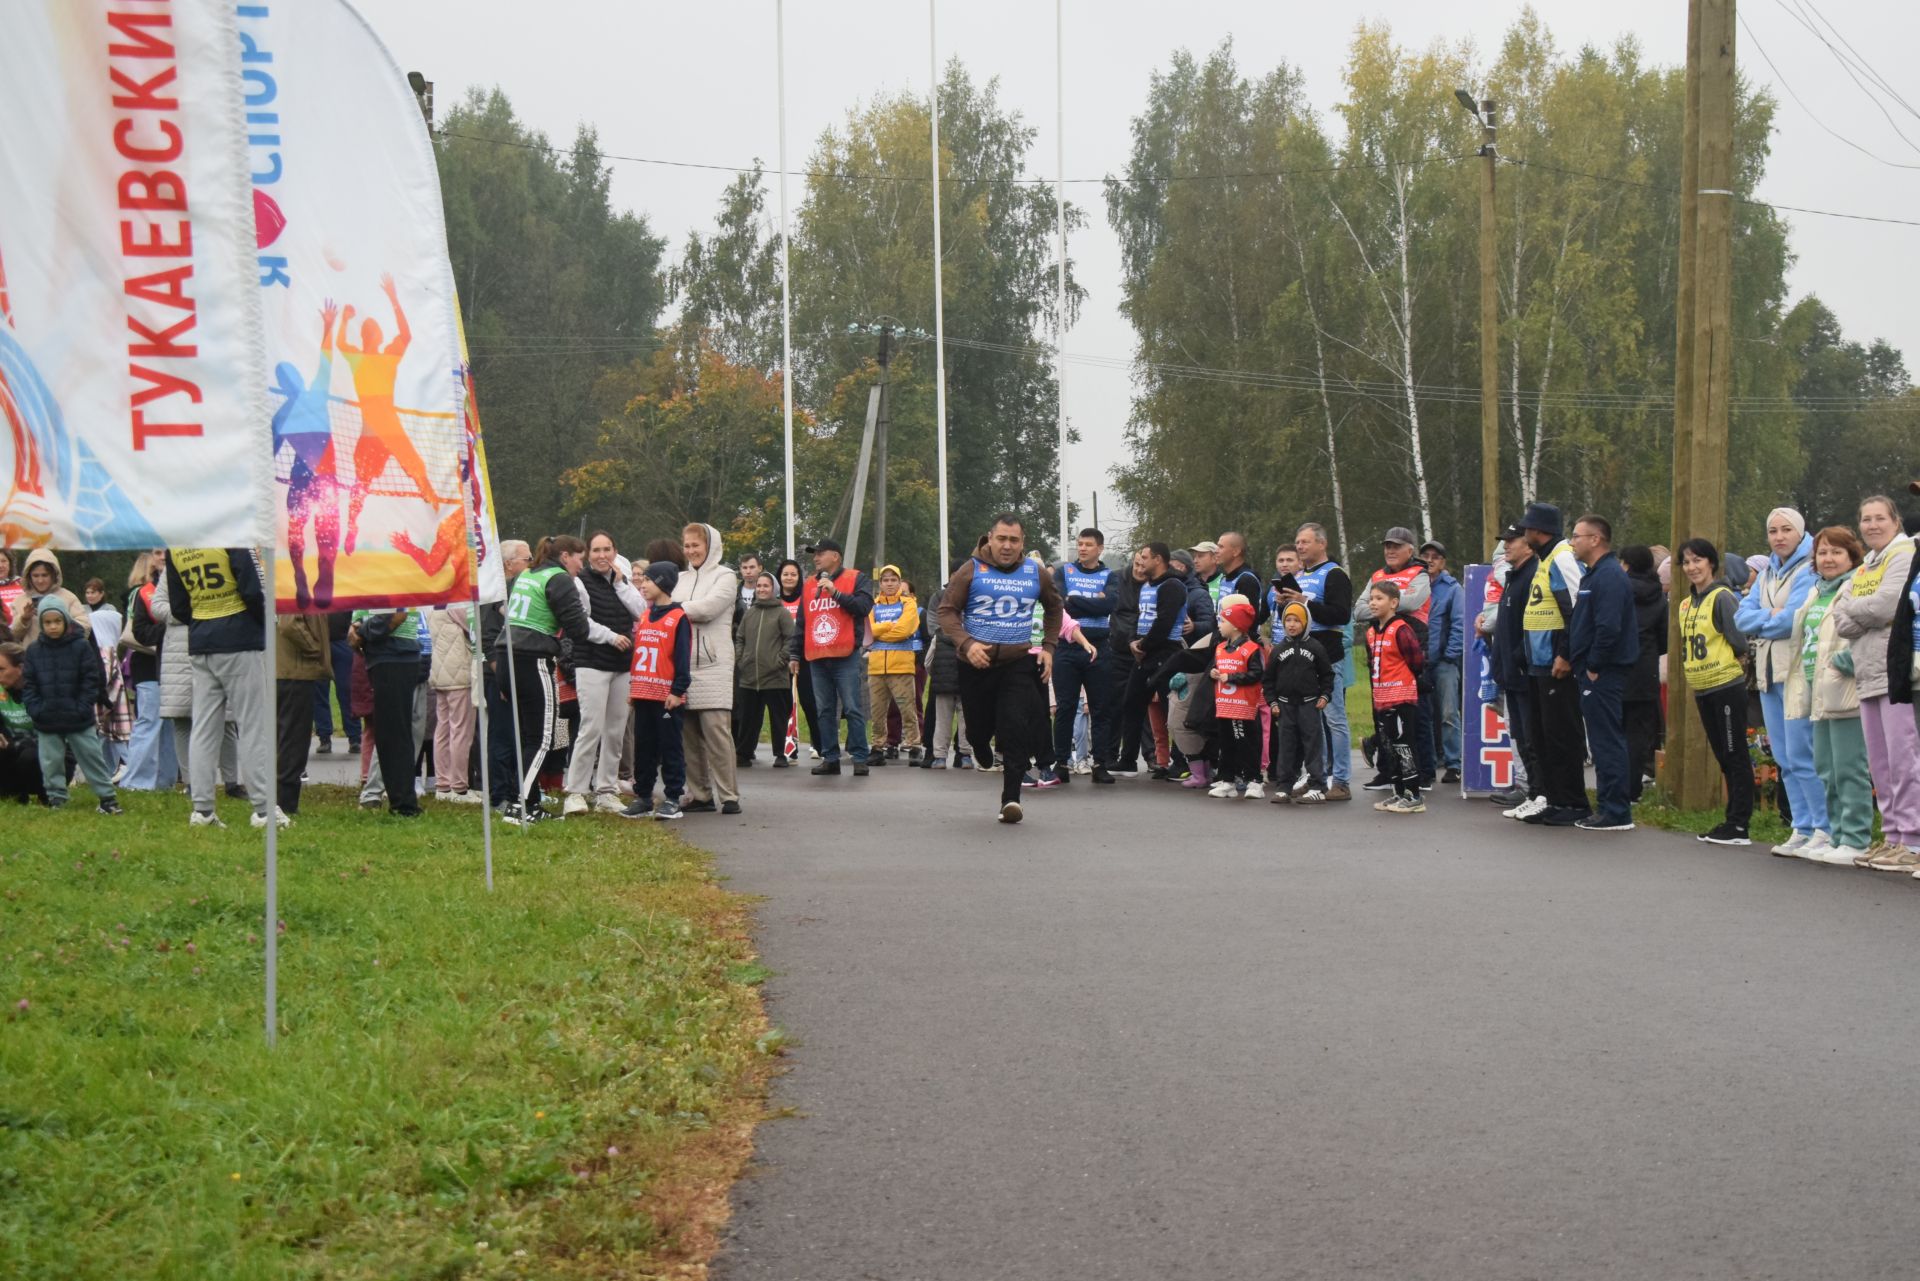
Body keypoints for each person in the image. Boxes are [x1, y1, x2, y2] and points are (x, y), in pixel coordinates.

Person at [938, 513, 1063, 823]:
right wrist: (967, 644)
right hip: (975, 665)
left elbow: (1055, 606)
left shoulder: (1035, 573)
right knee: (978, 728)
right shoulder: (971, 571)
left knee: (1015, 726)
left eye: (1014, 540)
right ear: (989, 539)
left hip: (1017, 662)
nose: (1007, 546)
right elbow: (947, 611)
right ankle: (979, 744)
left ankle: (1011, 800)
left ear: (1022, 543)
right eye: (1002, 539)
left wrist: (1048, 647)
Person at [498, 535, 617, 824]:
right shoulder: (559, 578)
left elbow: (504, 609)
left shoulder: (528, 573)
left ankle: (525, 800)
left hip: (506, 654)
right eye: (580, 557)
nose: (581, 564)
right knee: (542, 737)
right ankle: (521, 806)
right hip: (532, 657)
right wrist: (609, 636)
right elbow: (577, 626)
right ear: (566, 556)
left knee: (529, 736)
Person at [1833, 497, 1919, 870]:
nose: (1871, 525)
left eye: (1879, 518)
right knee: (1880, 763)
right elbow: (1841, 618)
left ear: (1895, 521)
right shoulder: (1867, 564)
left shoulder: (1903, 555)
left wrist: (1857, 611)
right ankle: (1894, 834)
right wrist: (1863, 614)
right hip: (1865, 671)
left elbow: (1889, 606)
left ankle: (1914, 838)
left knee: (1904, 758)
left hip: (1893, 670)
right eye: (1865, 519)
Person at [1735, 508, 1826, 855]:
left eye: (1786, 529)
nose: (1779, 536)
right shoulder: (1768, 569)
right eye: (1772, 530)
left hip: (1797, 670)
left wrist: (1765, 618)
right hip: (1769, 673)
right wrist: (1765, 617)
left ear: (1801, 532)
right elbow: (1741, 616)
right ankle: (1801, 826)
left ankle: (1823, 826)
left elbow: (1793, 620)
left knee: (1804, 753)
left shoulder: (1809, 567)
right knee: (1784, 757)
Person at [166, 548, 275, 829]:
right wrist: (265, 620)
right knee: (252, 726)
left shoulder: (175, 545)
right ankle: (264, 810)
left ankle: (202, 810)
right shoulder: (230, 532)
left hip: (202, 638)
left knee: (203, 728)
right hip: (238, 637)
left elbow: (178, 606)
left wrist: (205, 618)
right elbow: (251, 590)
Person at [337, 275, 443, 555]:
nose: (372, 333)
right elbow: (403, 336)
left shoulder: (370, 357)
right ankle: (352, 527)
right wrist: (390, 299)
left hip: (378, 429)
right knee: (406, 476)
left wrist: (349, 318)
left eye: (371, 330)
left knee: (405, 476)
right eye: (370, 331)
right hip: (381, 429)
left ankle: (354, 526)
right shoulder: (372, 358)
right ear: (374, 338)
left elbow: (404, 336)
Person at [1787, 527, 1872, 865]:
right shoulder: (1816, 591)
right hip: (1817, 689)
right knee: (1826, 768)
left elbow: (1871, 630)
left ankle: (1856, 838)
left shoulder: (1858, 585)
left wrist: (1843, 663)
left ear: (1852, 555)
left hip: (1845, 688)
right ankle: (1836, 836)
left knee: (1849, 767)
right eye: (1822, 552)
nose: (1828, 558)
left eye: (1836, 552)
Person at [1512, 504, 1587, 826]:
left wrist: (1566, 654)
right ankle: (1555, 799)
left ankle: (1574, 803)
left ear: (1539, 531)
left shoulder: (1562, 557)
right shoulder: (1546, 560)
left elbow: (1577, 608)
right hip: (1539, 663)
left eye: (1527, 528)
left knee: (1562, 737)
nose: (1524, 533)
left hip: (1556, 663)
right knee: (1543, 737)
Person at [1676, 539, 1754, 845]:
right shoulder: (1686, 603)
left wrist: (1735, 663)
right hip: (1703, 686)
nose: (1692, 567)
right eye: (1686, 562)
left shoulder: (1722, 597)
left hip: (1725, 685)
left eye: (1698, 560)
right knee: (1723, 754)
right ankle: (1731, 819)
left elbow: (1739, 640)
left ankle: (1739, 824)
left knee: (1735, 753)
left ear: (1711, 563)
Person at [1567, 515, 1638, 831]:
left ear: (1595, 539)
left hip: (1603, 672)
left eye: (1577, 535)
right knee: (1600, 739)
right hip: (1593, 670)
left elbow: (1608, 627)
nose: (1573, 542)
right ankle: (1608, 806)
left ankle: (1616, 811)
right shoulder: (1595, 574)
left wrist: (1594, 665)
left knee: (1607, 740)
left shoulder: (1608, 576)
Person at [564, 532, 642, 815]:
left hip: (622, 665)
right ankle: (575, 791)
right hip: (592, 661)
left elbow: (640, 611)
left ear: (614, 551)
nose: (601, 556)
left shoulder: (623, 581)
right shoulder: (579, 582)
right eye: (596, 550)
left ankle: (607, 790)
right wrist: (610, 637)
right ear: (588, 553)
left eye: (607, 549)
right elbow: (581, 622)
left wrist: (621, 583)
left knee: (616, 730)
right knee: (591, 728)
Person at [271, 300, 343, 609]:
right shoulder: (314, 395)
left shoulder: (281, 416)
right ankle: (320, 574)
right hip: (322, 476)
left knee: (299, 527)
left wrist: (328, 328)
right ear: (295, 382)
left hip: (301, 476)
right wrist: (329, 327)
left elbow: (270, 453)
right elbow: (325, 363)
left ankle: (304, 573)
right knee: (325, 528)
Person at [20, 599, 120, 813]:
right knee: (50, 762)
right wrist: (36, 709)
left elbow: (90, 679)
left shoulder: (81, 647)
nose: (53, 626)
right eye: (47, 622)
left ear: (66, 620)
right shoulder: (34, 651)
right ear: (42, 624)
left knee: (92, 758)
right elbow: (29, 684)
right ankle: (57, 798)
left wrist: (83, 706)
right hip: (47, 718)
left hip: (79, 718)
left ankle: (107, 798)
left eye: (57, 621)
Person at [1351, 527, 1433, 787]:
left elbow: (1410, 604)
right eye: (1387, 545)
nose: (1391, 550)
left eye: (1397, 546)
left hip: (1411, 646)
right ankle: (1388, 771)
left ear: (1410, 550)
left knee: (1413, 717)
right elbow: (1359, 610)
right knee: (1382, 716)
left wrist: (1379, 604)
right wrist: (1383, 605)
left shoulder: (1420, 574)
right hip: (1380, 652)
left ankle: (1421, 774)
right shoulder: (1377, 575)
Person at [1277, 523, 1354, 800]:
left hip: (1327, 654)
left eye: (1305, 542)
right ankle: (1316, 776)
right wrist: (1283, 603)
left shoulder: (1334, 574)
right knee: (1311, 723)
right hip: (1301, 656)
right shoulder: (1298, 574)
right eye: (1297, 542)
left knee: (1335, 719)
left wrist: (1305, 603)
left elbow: (1341, 615)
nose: (1299, 547)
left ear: (1322, 543)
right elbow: (1295, 615)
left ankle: (1342, 780)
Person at [789, 537, 875, 778]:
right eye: (813, 554)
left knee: (852, 708)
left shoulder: (856, 578)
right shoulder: (808, 585)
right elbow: (801, 623)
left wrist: (835, 592)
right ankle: (830, 757)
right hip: (816, 656)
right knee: (824, 710)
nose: (815, 557)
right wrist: (795, 653)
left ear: (835, 556)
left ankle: (859, 758)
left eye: (820, 553)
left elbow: (863, 607)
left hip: (846, 654)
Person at [672, 523, 741, 815]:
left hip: (713, 665)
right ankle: (700, 794)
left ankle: (729, 796)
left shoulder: (726, 576)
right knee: (688, 734)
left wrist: (673, 608)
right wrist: (678, 607)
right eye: (687, 546)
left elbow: (709, 608)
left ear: (710, 546)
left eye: (696, 545)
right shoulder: (680, 578)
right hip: (684, 663)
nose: (691, 551)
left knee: (716, 732)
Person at [621, 561, 693, 821]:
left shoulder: (678, 617)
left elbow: (683, 658)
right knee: (644, 748)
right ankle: (643, 796)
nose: (642, 584)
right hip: (643, 693)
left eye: (648, 580)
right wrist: (633, 687)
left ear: (662, 583)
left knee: (670, 747)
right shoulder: (644, 616)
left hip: (666, 698)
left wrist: (678, 690)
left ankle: (673, 797)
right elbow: (639, 653)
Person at [1052, 528, 1117, 785]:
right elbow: (1060, 604)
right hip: (1067, 646)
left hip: (1099, 645)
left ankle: (1100, 764)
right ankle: (1061, 763)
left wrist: (1075, 598)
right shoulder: (1063, 571)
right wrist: (1091, 600)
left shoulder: (1109, 575)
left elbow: (1109, 605)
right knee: (1065, 707)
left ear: (1099, 548)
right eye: (1079, 544)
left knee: (1100, 708)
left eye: (1088, 544)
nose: (1082, 548)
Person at [1116, 544, 1186, 776]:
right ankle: (1128, 760)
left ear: (1158, 559)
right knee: (1131, 703)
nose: (1141, 562)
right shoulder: (1146, 585)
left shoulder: (1172, 585)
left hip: (1166, 653)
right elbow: (1141, 618)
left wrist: (1143, 645)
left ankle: (1181, 762)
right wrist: (1132, 642)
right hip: (1144, 653)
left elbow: (1164, 623)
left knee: (1171, 710)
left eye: (1145, 558)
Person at [351, 606, 423, 818]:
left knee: (394, 734)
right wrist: (356, 628)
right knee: (387, 734)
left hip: (397, 655)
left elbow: (397, 616)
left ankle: (404, 805)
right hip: (384, 656)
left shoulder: (397, 576)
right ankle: (401, 801)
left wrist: (362, 631)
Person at [1363, 580, 1425, 814]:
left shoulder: (1401, 629)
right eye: (1371, 598)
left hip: (1401, 696)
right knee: (1389, 747)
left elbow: (1416, 660)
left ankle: (1413, 795)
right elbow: (1372, 663)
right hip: (1381, 696)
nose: (1373, 603)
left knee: (1404, 746)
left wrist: (1408, 680)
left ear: (1394, 602)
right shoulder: (1371, 632)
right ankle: (1398, 792)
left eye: (1379, 598)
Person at [1265, 600, 1334, 804]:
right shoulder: (1278, 650)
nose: (1292, 624)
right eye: (1288, 620)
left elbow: (1327, 675)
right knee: (1287, 746)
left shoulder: (1315, 647)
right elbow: (1268, 680)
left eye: (1297, 620)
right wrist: (1272, 702)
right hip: (1285, 706)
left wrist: (1325, 696)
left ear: (1306, 623)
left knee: (1312, 745)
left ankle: (1317, 785)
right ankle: (1284, 786)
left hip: (1309, 704)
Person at [119, 551, 175, 790]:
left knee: (172, 724)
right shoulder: (143, 592)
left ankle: (165, 781)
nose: (161, 556)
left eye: (165, 551)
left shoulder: (185, 584)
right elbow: (137, 630)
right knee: (149, 721)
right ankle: (136, 782)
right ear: (151, 558)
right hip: (148, 664)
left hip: (176, 666)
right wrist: (169, 633)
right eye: (156, 552)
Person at [1619, 545, 1667, 803]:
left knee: (1615, 731)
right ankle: (1633, 788)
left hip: (1618, 667)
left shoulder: (1618, 590)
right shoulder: (1658, 594)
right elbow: (1665, 638)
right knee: (1639, 734)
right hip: (1645, 669)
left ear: (1626, 563)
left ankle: (1616, 786)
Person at [735, 571, 797, 769]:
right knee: (748, 718)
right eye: (759, 586)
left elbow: (790, 640)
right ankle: (743, 753)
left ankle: (781, 754)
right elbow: (740, 638)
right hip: (749, 677)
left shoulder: (782, 613)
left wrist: (779, 661)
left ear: (774, 589)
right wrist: (741, 659)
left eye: (766, 586)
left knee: (778, 717)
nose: (761, 589)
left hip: (775, 677)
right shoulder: (749, 613)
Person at [1206, 595, 1266, 799]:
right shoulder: (1220, 648)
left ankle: (1254, 780)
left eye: (1223, 621)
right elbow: (1218, 668)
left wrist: (1231, 677)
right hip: (1224, 705)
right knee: (1226, 744)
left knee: (1246, 744)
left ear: (1237, 626)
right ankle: (1227, 780)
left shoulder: (1251, 649)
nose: (1219, 625)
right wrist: (1214, 673)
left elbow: (1256, 674)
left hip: (1243, 707)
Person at [865, 565, 922, 766]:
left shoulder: (909, 604)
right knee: (877, 712)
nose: (889, 583)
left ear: (899, 582)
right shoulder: (872, 605)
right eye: (885, 580)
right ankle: (877, 747)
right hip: (876, 667)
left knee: (907, 709)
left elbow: (904, 630)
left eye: (893, 580)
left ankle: (915, 746)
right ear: (880, 583)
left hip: (901, 666)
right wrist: (890, 626)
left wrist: (881, 631)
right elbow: (867, 631)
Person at [274, 611, 330, 817]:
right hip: (294, 669)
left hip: (285, 668)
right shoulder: (296, 583)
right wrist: (314, 647)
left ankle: (280, 799)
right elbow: (289, 624)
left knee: (284, 737)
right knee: (293, 739)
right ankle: (285, 802)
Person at [426, 604, 482, 804]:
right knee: (461, 730)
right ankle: (458, 786)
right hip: (458, 671)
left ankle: (443, 784)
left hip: (440, 670)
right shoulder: (456, 602)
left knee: (443, 729)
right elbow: (474, 625)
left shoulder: (434, 602)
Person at [1420, 541, 1463, 784]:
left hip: (1444, 661)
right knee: (1424, 714)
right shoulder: (1415, 585)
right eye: (1425, 555)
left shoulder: (1453, 588)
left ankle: (1453, 763)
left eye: (1435, 556)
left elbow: (1459, 623)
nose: (1429, 560)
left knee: (1448, 712)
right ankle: (1427, 760)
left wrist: (1450, 654)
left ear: (1443, 562)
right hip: (1419, 661)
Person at [9, 548, 91, 646]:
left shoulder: (68, 597)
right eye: (35, 576)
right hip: (31, 658)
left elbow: (84, 627)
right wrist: (24, 619)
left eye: (44, 575)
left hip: (64, 656)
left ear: (53, 574)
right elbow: (13, 636)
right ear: (28, 576)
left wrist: (61, 621)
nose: (40, 580)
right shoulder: (19, 601)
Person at [0, 641, 47, 804]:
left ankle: (44, 792)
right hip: (14, 748)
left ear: (20, 668)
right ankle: (11, 792)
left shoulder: (41, 689)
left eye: (1, 669)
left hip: (49, 754)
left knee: (28, 757)